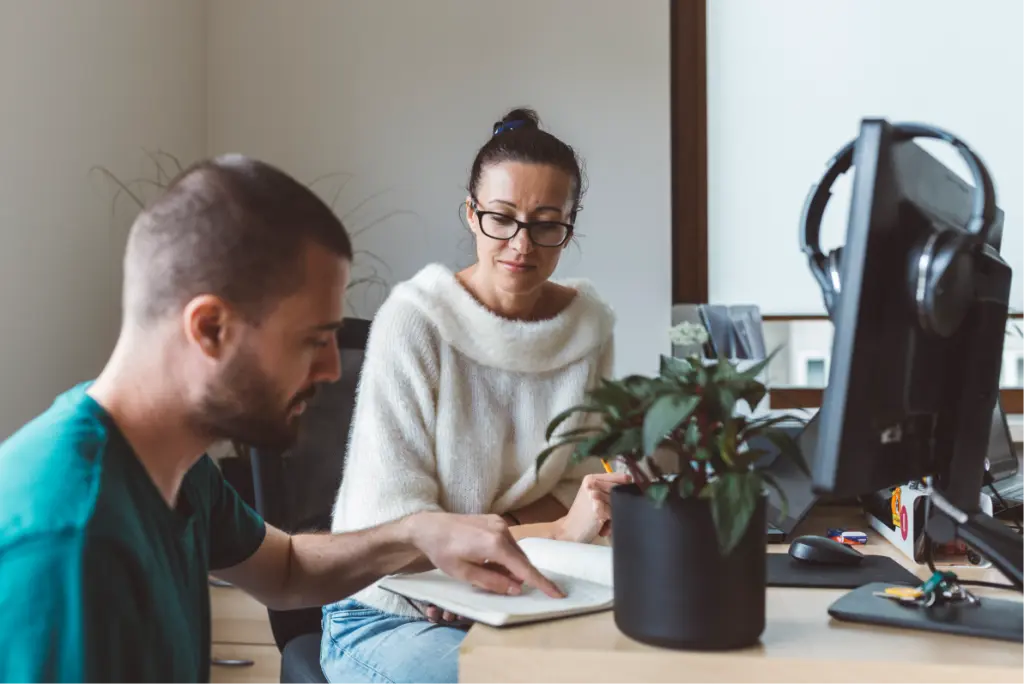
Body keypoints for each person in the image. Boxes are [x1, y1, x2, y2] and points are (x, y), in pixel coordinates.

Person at [0, 155, 564, 684]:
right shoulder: (68, 542)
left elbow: (288, 569)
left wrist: (415, 531)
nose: (328, 369)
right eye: (313, 340)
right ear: (211, 328)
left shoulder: (173, 462)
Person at [321, 108, 626, 684]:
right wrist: (538, 535)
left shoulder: (588, 328)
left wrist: (478, 560)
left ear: (570, 225)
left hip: (523, 595)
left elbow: (579, 497)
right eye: (500, 218)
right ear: (471, 214)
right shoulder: (415, 322)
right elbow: (391, 538)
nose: (521, 244)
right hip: (389, 611)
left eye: (545, 223)